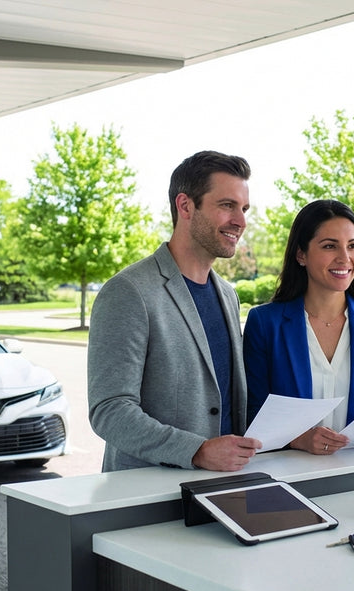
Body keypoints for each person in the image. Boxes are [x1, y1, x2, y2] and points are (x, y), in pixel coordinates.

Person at [88, 151, 263, 472]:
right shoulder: (128, 291)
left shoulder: (228, 295)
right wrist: (197, 451)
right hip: (148, 496)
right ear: (185, 206)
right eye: (227, 206)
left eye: (244, 208)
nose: (240, 221)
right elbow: (110, 410)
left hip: (223, 488)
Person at [243, 199, 354, 454]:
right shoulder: (265, 323)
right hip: (289, 474)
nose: (345, 258)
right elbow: (253, 414)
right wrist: (298, 439)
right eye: (330, 246)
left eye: (353, 246)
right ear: (301, 254)